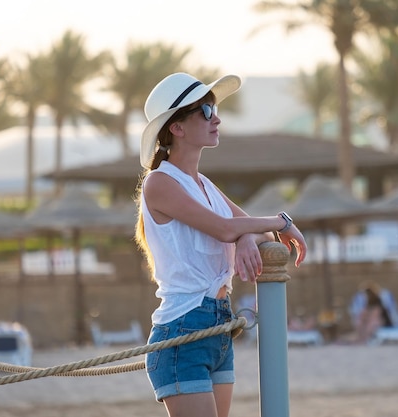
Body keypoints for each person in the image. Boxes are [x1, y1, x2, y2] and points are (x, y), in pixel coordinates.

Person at [134, 72, 307, 417]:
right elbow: (226, 227)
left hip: (218, 327)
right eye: (206, 111)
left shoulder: (204, 184)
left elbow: (244, 229)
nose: (217, 119)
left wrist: (246, 235)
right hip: (183, 329)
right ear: (177, 128)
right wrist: (280, 221)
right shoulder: (160, 183)